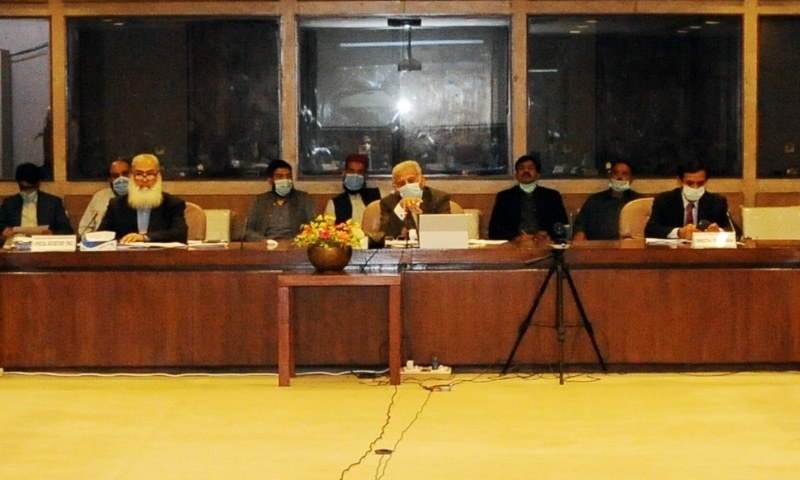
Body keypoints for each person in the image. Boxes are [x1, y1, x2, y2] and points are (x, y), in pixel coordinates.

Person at [97, 153, 188, 243]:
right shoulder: (116, 205)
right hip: (126, 256)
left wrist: (144, 237)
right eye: (139, 174)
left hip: (160, 256)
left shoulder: (172, 203)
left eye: (150, 174)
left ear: (158, 176)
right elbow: (102, 235)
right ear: (131, 176)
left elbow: (180, 234)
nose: (144, 180)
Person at [488, 154, 568, 241]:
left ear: (538, 174)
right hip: (514, 246)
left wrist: (549, 236)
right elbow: (494, 230)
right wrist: (516, 237)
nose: (526, 171)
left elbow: (562, 227)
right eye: (521, 168)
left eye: (530, 168)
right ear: (516, 175)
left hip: (544, 245)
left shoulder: (552, 196)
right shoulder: (504, 197)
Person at [644, 160, 731, 239]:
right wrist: (679, 232)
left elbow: (734, 230)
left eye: (700, 183)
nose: (695, 188)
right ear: (680, 181)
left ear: (706, 181)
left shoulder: (717, 201)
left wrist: (719, 231)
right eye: (690, 183)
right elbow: (650, 230)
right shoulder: (664, 200)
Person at [244, 159, 316, 241]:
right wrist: (263, 241)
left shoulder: (304, 199)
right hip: (266, 247)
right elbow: (247, 230)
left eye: (288, 176)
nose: (285, 180)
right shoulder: (260, 201)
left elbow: (313, 227)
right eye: (280, 177)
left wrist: (297, 241)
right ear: (270, 181)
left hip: (294, 247)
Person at [572, 160, 643, 241]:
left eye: (625, 174)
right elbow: (580, 226)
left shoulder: (639, 202)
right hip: (599, 248)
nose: (619, 177)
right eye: (615, 173)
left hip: (630, 248)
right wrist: (579, 241)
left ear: (631, 178)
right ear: (610, 176)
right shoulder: (594, 200)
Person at [379, 159, 450, 239]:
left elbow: (446, 231)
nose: (407, 185)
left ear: (422, 181)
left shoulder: (439, 198)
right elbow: (384, 236)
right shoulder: (388, 202)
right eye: (401, 183)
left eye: (411, 180)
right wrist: (400, 209)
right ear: (395, 187)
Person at [0, 162, 73, 239]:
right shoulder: (9, 203)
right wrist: (3, 234)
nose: (28, 193)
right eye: (24, 189)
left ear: (39, 183)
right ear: (18, 184)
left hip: (43, 244)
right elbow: (1, 227)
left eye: (31, 188)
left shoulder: (53, 203)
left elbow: (67, 230)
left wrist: (53, 234)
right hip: (16, 244)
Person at [78, 158, 131, 236]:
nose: (121, 179)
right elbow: (84, 229)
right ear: (110, 179)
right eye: (115, 176)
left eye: (125, 174)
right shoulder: (100, 197)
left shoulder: (140, 197)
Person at [324, 154, 381, 224]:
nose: (355, 175)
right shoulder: (334, 204)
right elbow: (329, 231)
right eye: (351, 171)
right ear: (344, 173)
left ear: (365, 175)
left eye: (360, 172)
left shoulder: (376, 198)